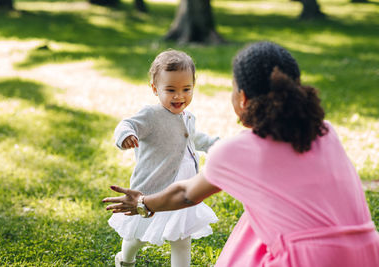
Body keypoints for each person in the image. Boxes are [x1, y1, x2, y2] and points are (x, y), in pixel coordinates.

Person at [103, 41, 379, 267]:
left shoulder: (237, 151)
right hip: (369, 254)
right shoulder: (325, 131)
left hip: (305, 260)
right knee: (254, 219)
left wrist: (142, 203)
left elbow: (185, 195)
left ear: (243, 98)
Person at [109, 49, 219, 267]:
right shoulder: (151, 115)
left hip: (183, 190)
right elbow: (127, 124)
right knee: (137, 236)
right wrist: (126, 135)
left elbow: (193, 138)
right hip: (153, 189)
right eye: (170, 90)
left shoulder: (188, 117)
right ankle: (125, 260)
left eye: (186, 89)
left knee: (181, 239)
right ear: (154, 88)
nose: (179, 96)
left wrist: (214, 144)